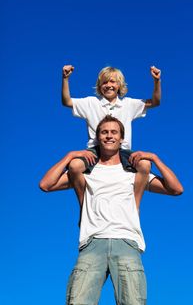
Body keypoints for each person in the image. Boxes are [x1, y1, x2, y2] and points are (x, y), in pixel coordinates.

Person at [39, 115, 183, 304]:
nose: (109, 136)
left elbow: (176, 189)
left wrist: (155, 158)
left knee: (132, 301)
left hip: (127, 242)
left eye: (114, 132)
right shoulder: (87, 171)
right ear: (98, 137)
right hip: (92, 242)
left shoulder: (132, 172)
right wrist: (69, 156)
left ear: (121, 138)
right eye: (104, 132)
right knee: (78, 301)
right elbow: (45, 184)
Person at [61, 64, 162, 205]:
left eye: (112, 81)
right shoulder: (91, 102)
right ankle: (84, 206)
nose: (108, 85)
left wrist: (157, 81)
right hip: (95, 151)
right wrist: (65, 79)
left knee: (145, 165)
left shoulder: (128, 104)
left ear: (119, 85)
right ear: (99, 85)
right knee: (75, 165)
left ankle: (135, 206)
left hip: (123, 151)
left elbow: (155, 102)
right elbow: (67, 101)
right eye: (104, 82)